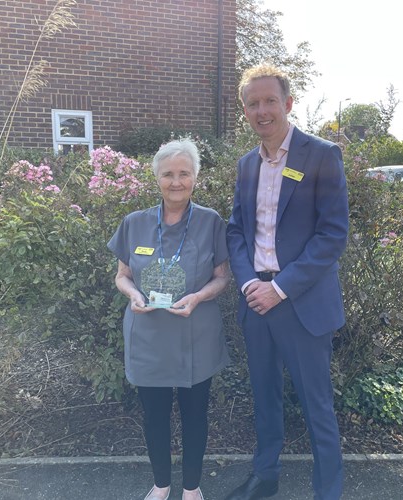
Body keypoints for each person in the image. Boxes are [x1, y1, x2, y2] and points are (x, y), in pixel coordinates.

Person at [225, 64, 349, 500]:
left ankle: (327, 492)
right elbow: (237, 230)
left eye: (270, 101)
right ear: (245, 111)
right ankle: (265, 478)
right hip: (256, 301)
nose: (262, 110)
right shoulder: (246, 165)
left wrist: (280, 287)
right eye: (253, 103)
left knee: (317, 407)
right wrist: (248, 284)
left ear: (288, 103)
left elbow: (332, 235)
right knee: (264, 398)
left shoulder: (321, 155)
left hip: (301, 303)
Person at [107, 138, 230, 500]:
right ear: (156, 178)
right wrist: (132, 294)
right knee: (155, 417)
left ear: (195, 177)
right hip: (149, 336)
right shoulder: (134, 223)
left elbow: (222, 277)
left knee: (195, 417)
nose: (176, 182)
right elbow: (122, 275)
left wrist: (198, 296)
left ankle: (191, 487)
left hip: (196, 335)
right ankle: (161, 484)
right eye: (168, 174)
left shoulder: (211, 222)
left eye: (184, 174)